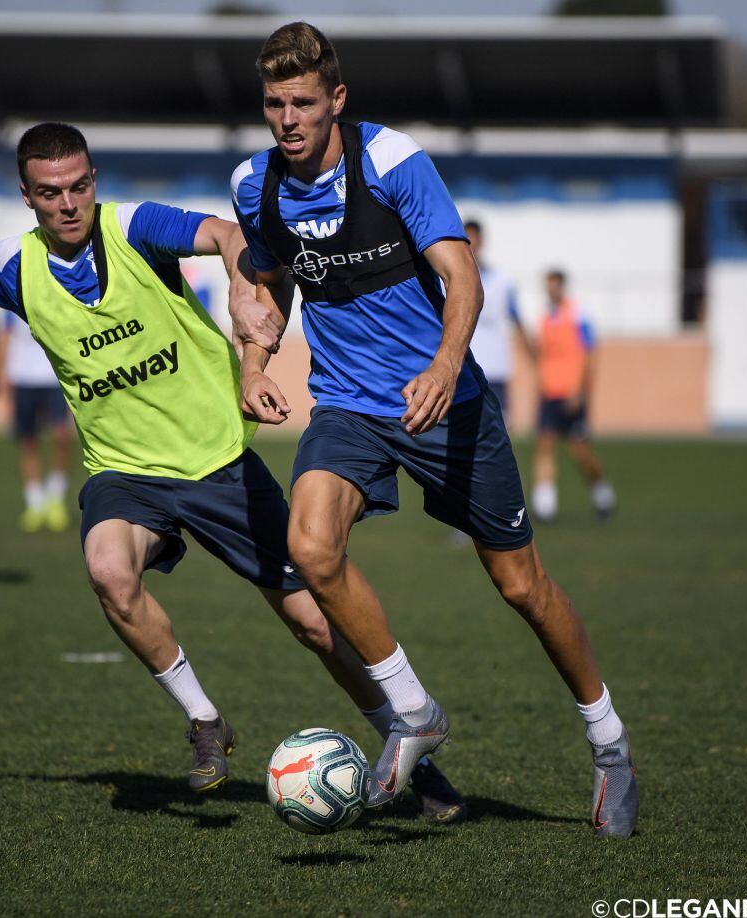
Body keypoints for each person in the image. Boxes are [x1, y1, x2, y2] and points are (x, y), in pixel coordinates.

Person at [0, 122, 466, 818]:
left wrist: (239, 290)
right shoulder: (11, 265)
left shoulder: (134, 227)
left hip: (217, 461)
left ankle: (415, 758)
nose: (68, 204)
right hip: (123, 474)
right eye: (50, 193)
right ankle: (205, 720)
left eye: (79, 186)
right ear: (27, 196)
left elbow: (230, 236)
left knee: (316, 628)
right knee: (108, 571)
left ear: (93, 180)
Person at [230, 22, 637, 837]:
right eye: (274, 104)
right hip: (349, 405)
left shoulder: (391, 161)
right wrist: (252, 363)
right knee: (310, 548)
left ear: (336, 99)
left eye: (303, 102)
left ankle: (610, 744)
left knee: (522, 587)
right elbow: (267, 281)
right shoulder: (254, 185)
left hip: (447, 404)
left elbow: (462, 275)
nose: (288, 119)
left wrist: (447, 366)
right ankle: (414, 710)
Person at [528, 269, 616, 523]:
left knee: (579, 450)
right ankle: (545, 505)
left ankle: (602, 494)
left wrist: (581, 389)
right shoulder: (544, 318)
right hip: (549, 392)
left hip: (572, 392)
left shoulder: (578, 314)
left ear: (562, 286)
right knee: (544, 444)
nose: (551, 291)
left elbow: (589, 353)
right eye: (548, 286)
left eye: (554, 286)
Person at [0, 309, 74, 533]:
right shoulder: (10, 293)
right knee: (28, 440)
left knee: (61, 435)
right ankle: (35, 502)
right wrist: (5, 378)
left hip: (54, 375)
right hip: (22, 376)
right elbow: (7, 335)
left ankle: (56, 496)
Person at [464, 219, 523, 417]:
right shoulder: (447, 279)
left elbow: (516, 318)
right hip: (464, 365)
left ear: (482, 240)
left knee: (500, 422)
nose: (471, 243)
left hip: (496, 367)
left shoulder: (502, 279)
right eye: (467, 238)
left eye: (474, 237)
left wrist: (534, 359)